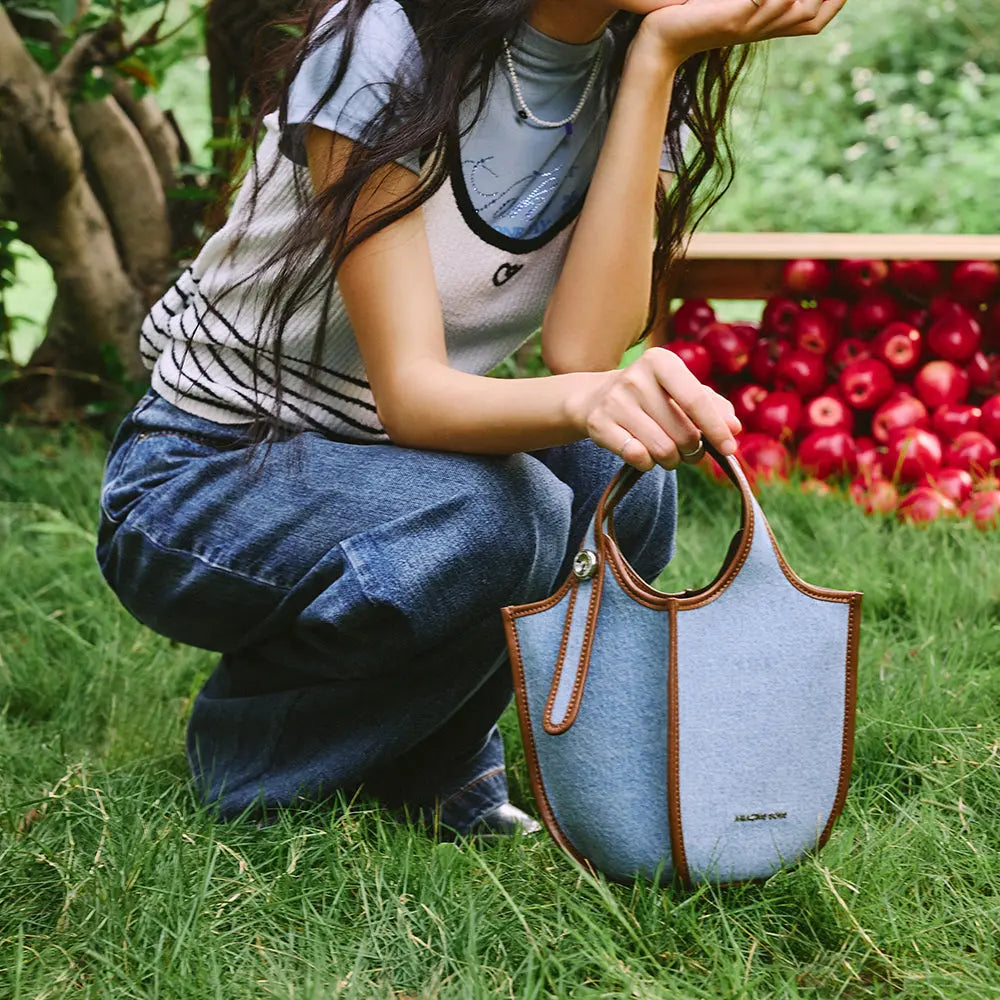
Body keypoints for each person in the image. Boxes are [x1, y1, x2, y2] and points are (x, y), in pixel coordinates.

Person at [96, 0, 845, 835]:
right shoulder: (382, 43)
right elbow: (413, 394)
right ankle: (261, 768)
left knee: (624, 487)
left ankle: (435, 766)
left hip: (386, 463)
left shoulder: (632, 62)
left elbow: (583, 346)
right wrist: (590, 399)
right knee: (500, 519)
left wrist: (656, 61)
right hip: (205, 473)